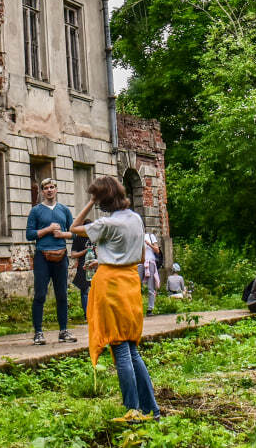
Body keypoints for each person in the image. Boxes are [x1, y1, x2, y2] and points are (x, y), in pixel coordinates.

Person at [71, 175, 160, 422]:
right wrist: (110, 258)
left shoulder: (106, 224)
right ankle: (152, 410)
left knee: (120, 348)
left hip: (111, 285)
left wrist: (89, 202)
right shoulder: (136, 218)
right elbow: (141, 255)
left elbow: (73, 228)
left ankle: (132, 410)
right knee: (131, 349)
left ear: (103, 201)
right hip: (130, 282)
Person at [26, 177, 77, 345]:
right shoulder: (36, 211)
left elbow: (75, 232)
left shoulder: (64, 210)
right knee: (40, 294)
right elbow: (29, 235)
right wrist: (47, 230)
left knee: (62, 294)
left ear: (56, 189)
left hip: (61, 256)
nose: (49, 190)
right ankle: (38, 333)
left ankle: (64, 331)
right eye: (46, 188)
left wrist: (62, 234)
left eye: (52, 187)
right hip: (42, 256)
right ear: (42, 191)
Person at [71, 232, 92, 317]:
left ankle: (95, 314)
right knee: (84, 290)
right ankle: (87, 315)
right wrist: (85, 251)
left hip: (96, 266)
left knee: (97, 291)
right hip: (83, 266)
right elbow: (73, 254)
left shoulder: (96, 236)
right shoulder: (78, 238)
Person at [142, 230, 162, 314]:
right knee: (136, 286)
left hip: (150, 262)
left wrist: (148, 244)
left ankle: (150, 309)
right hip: (139, 263)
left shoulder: (150, 236)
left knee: (151, 287)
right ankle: (136, 308)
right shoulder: (136, 236)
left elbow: (157, 250)